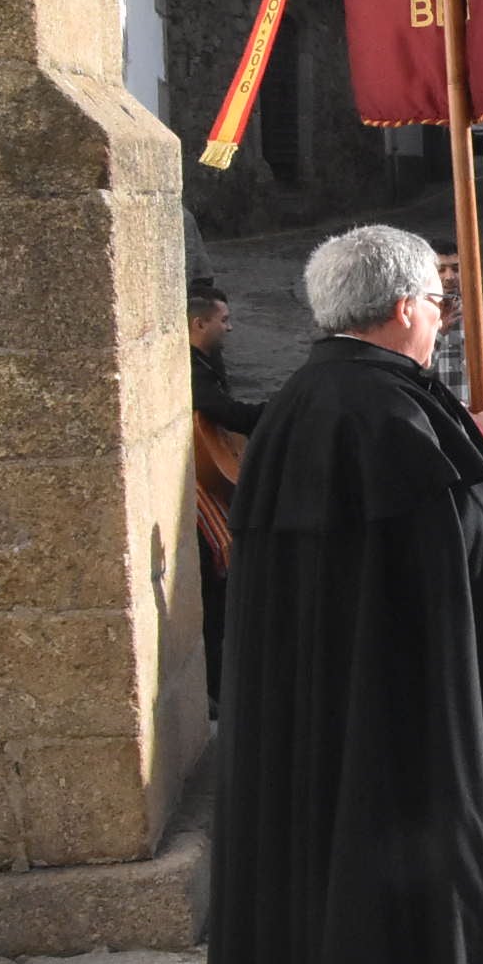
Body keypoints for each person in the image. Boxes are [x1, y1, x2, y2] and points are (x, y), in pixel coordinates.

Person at [205, 224, 483, 964]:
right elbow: (463, 553)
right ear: (407, 307)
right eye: (440, 305)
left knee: (343, 925)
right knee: (395, 930)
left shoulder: (299, 402)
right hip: (397, 733)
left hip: (319, 723)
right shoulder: (395, 415)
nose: (444, 321)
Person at [189, 280, 263, 711]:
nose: (230, 329)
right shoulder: (193, 369)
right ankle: (214, 684)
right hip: (200, 490)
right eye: (224, 320)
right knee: (219, 574)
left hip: (209, 486)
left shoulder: (207, 363)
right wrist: (272, 413)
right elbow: (223, 412)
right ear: (200, 324)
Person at [428, 243, 483, 401]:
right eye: (441, 269)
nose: (450, 277)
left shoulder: (479, 321)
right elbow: (413, 372)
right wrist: (439, 333)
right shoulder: (417, 320)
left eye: (456, 269)